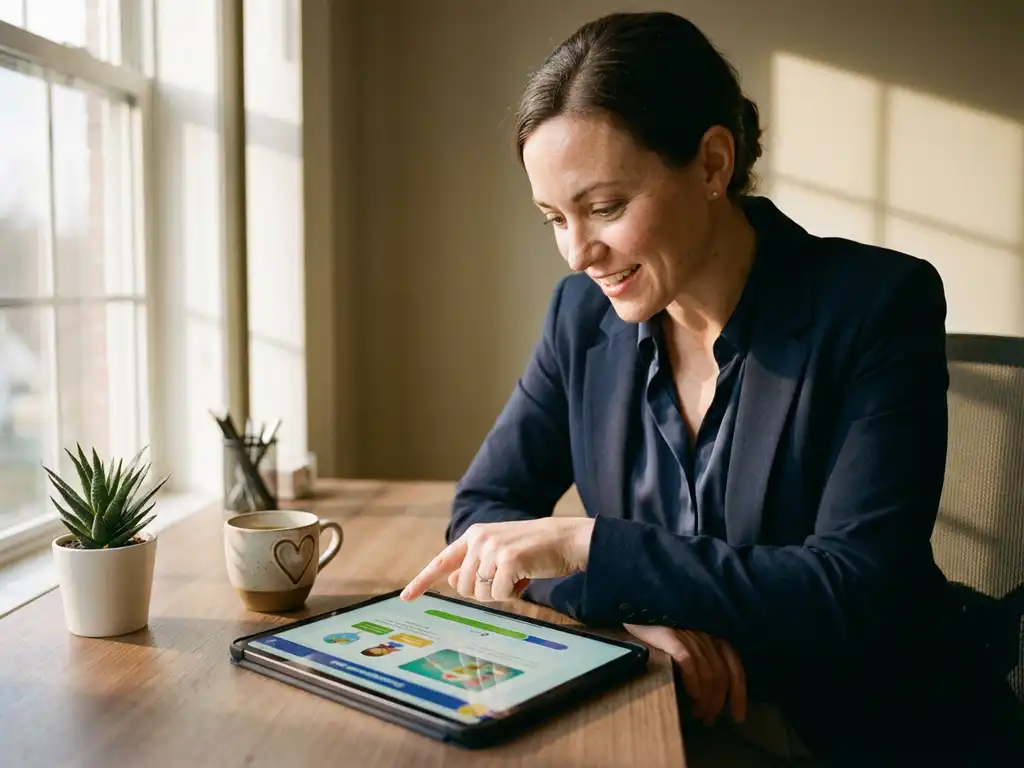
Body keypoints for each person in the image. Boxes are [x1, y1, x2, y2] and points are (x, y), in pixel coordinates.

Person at [400, 11, 1023, 766]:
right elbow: (483, 515)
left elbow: (856, 587)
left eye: (603, 208)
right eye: (554, 219)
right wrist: (627, 618)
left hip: (870, 727)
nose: (577, 253)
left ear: (712, 164)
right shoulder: (580, 318)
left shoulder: (879, 305)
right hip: (680, 711)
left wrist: (595, 546)